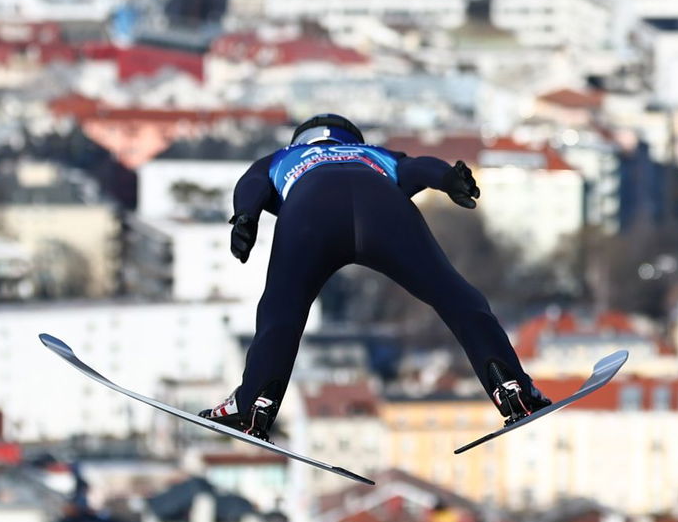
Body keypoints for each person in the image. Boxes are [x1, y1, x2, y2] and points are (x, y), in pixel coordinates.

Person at [199, 113, 551, 440]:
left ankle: (253, 406)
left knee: (281, 312)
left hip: (311, 212)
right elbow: (418, 167)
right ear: (352, 139)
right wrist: (448, 179)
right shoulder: (374, 154)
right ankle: (512, 388)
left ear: (300, 140)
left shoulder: (282, 158)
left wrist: (245, 217)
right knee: (457, 297)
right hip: (383, 208)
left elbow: (252, 183)